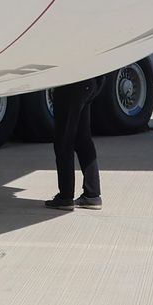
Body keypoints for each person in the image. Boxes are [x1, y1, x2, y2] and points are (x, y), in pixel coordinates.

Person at [46, 75, 102, 210]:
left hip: (71, 82)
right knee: (83, 139)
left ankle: (65, 197)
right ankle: (92, 195)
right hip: (91, 82)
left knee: (64, 142)